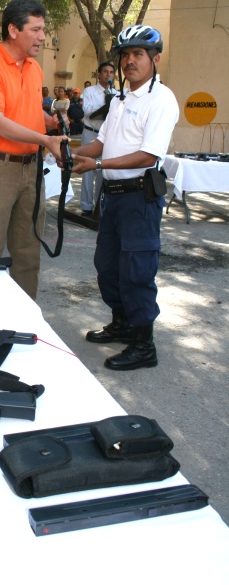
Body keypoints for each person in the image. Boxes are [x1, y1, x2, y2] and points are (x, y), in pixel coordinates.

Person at [71, 25, 179, 371]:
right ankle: (122, 324)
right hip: (113, 197)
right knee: (108, 266)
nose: (129, 61)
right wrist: (68, 153)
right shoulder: (119, 100)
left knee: (137, 271)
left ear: (154, 59)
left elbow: (148, 155)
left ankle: (144, 345)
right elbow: (100, 143)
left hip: (139, 198)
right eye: (125, 55)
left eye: (138, 55)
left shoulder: (161, 100)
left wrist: (97, 163)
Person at [0, 0, 65, 300]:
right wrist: (46, 141)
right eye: (35, 29)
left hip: (31, 168)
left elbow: (28, 112)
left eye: (43, 29)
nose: (42, 37)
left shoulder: (34, 68)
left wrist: (52, 123)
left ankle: (24, 324)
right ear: (13, 30)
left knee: (27, 253)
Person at [79, 62, 119, 215]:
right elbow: (88, 111)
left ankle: (99, 207)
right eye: (105, 72)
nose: (108, 75)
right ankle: (87, 206)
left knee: (103, 169)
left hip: (107, 134)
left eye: (111, 72)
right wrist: (106, 105)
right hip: (91, 132)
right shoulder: (89, 91)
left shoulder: (116, 93)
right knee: (88, 171)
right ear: (99, 74)